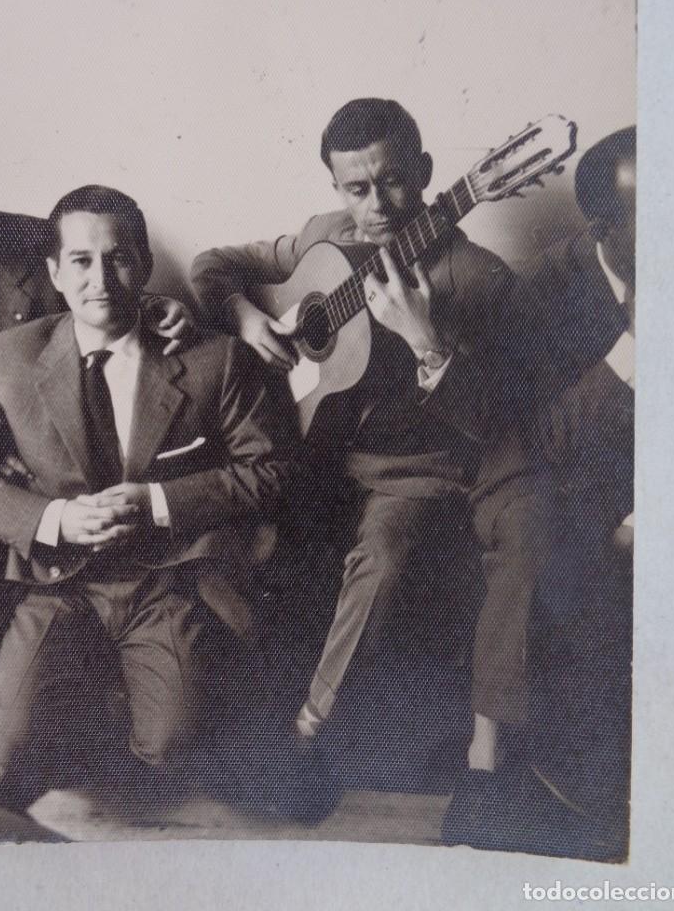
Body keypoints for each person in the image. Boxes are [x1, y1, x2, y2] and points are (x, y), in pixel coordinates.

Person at [0, 185, 286, 806]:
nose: (101, 280)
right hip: (58, 582)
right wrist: (51, 518)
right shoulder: (11, 358)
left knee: (172, 752)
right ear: (54, 272)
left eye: (117, 259)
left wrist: (161, 502)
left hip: (163, 581)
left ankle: (104, 708)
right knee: (3, 764)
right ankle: (18, 716)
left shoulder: (213, 360)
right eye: (81, 262)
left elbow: (271, 473)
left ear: (142, 265)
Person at [190, 97, 526, 757]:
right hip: (318, 448)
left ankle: (308, 730)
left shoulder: (481, 278)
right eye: (358, 188)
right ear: (338, 188)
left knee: (382, 562)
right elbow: (212, 265)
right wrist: (249, 318)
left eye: (394, 179)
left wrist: (428, 342)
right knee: (219, 528)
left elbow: (500, 418)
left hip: (414, 471)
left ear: (427, 171)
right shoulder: (325, 234)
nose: (379, 206)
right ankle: (231, 705)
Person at [0, 99, 192, 791]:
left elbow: (104, 289)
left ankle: (30, 731)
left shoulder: (35, 242)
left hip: (59, 470)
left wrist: (159, 308)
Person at [441, 126, 636, 855]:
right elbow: (539, 442)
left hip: (647, 484)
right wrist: (634, 353)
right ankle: (490, 781)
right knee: (543, 538)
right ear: (603, 229)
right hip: (552, 478)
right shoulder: (540, 294)